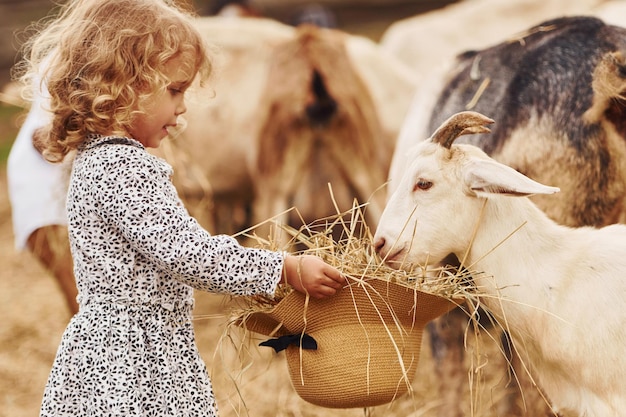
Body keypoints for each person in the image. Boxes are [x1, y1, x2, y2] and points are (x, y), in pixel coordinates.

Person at [14, 0, 345, 416]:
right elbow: (188, 253)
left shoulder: (98, 158)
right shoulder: (122, 168)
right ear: (123, 85)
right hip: (132, 366)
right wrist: (283, 269)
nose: (183, 106)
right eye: (174, 90)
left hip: (123, 350)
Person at [7, 71, 78, 315]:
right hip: (43, 205)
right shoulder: (45, 122)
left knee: (80, 285)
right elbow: (45, 143)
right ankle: (94, 348)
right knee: (75, 286)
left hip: (48, 200)